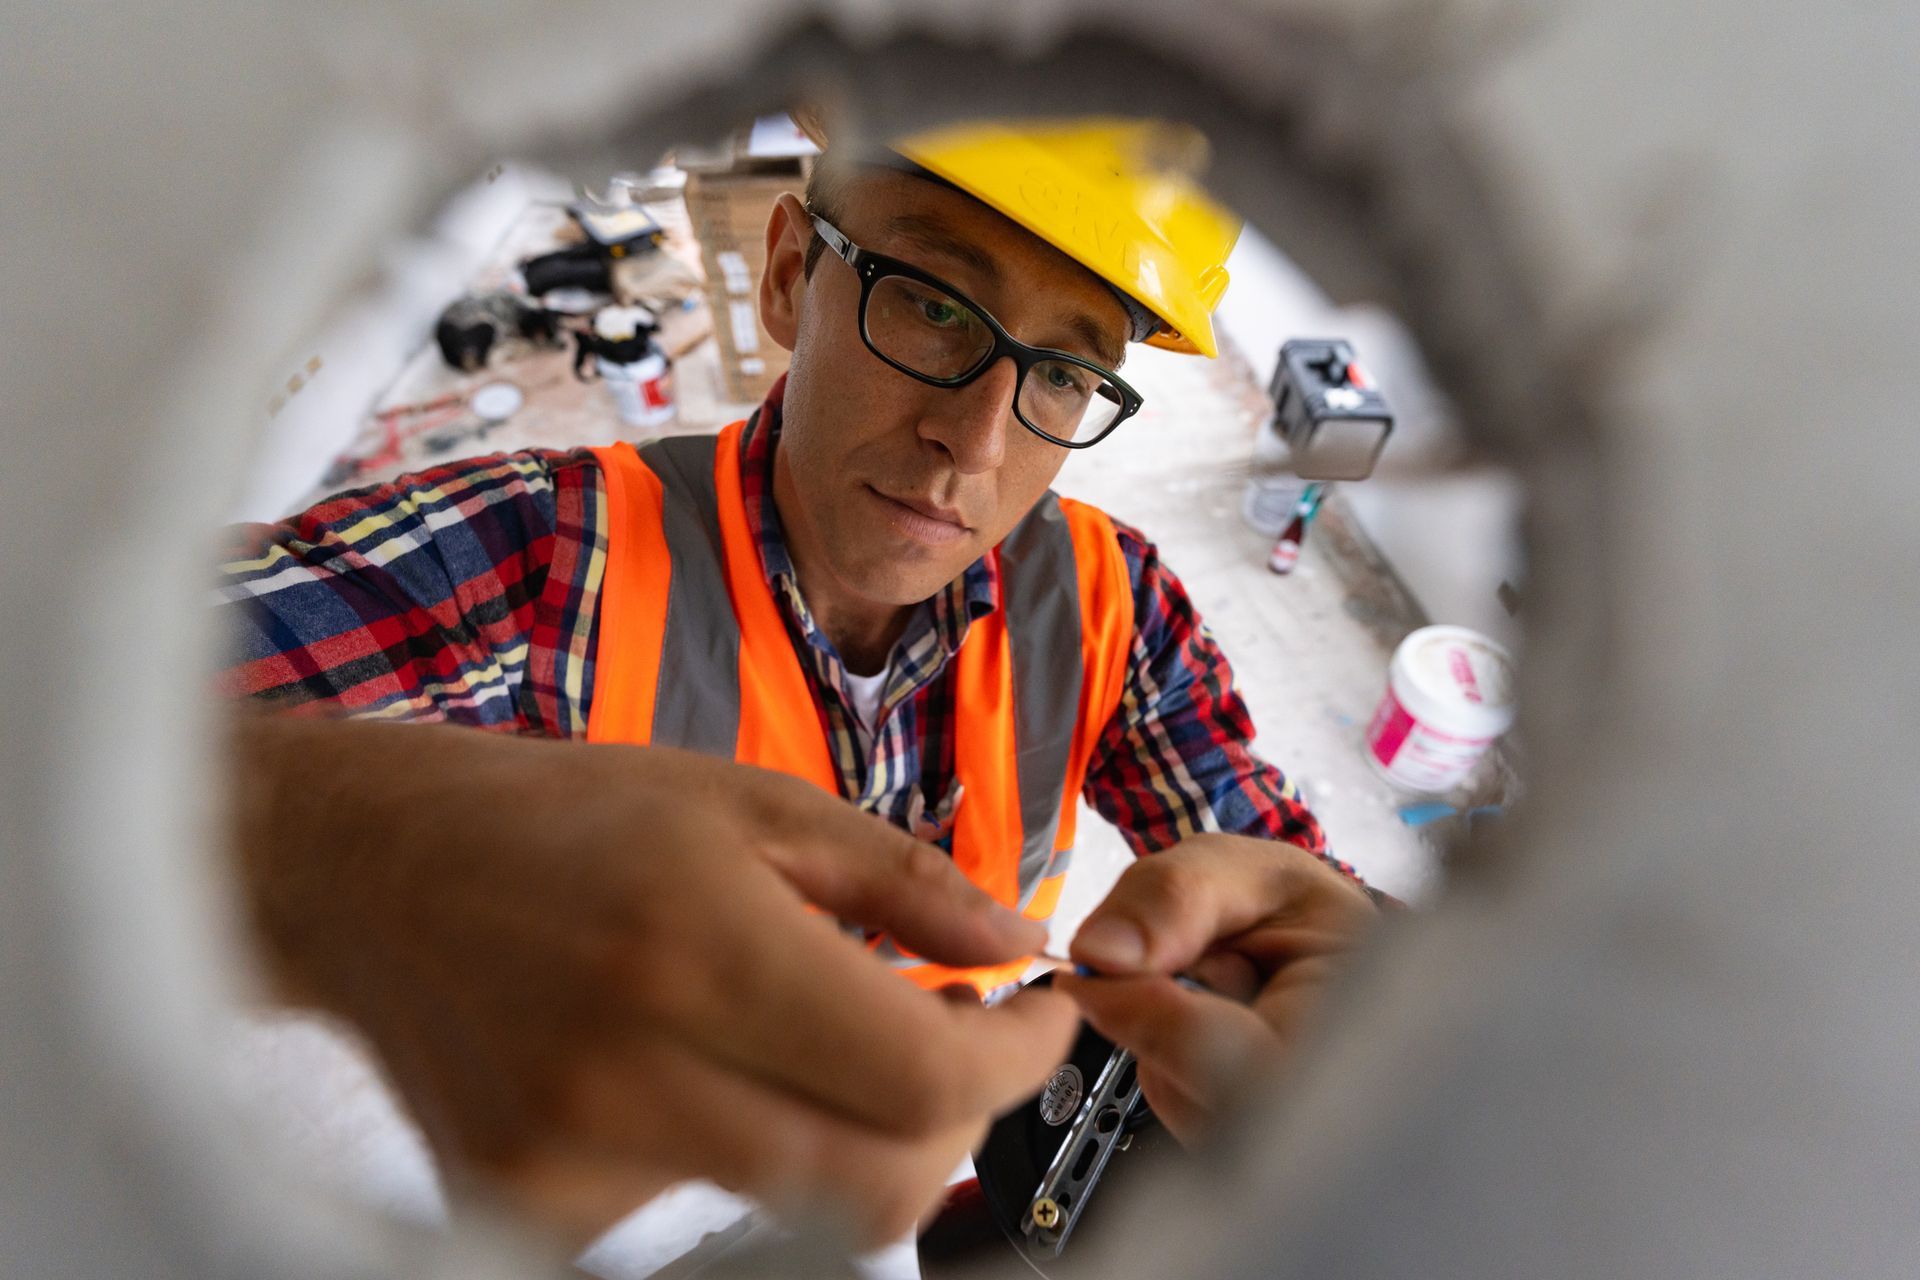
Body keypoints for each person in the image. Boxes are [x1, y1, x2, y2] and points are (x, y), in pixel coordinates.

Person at [215, 116, 1381, 1248]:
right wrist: (348, 838)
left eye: (1066, 373)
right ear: (787, 276)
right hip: (613, 1145)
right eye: (932, 303)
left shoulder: (1110, 606)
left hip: (916, 1148)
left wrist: (1347, 979)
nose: (975, 446)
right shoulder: (551, 559)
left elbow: (1277, 882)